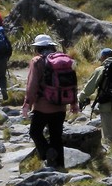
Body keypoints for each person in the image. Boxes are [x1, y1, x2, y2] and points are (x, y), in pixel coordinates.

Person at [21, 34, 76, 170]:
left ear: (38, 48)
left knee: (35, 132)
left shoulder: (37, 61)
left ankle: (46, 153)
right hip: (61, 106)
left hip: (42, 107)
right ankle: (60, 167)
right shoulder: (65, 60)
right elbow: (73, 82)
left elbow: (32, 85)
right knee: (56, 137)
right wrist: (74, 103)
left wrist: (27, 103)